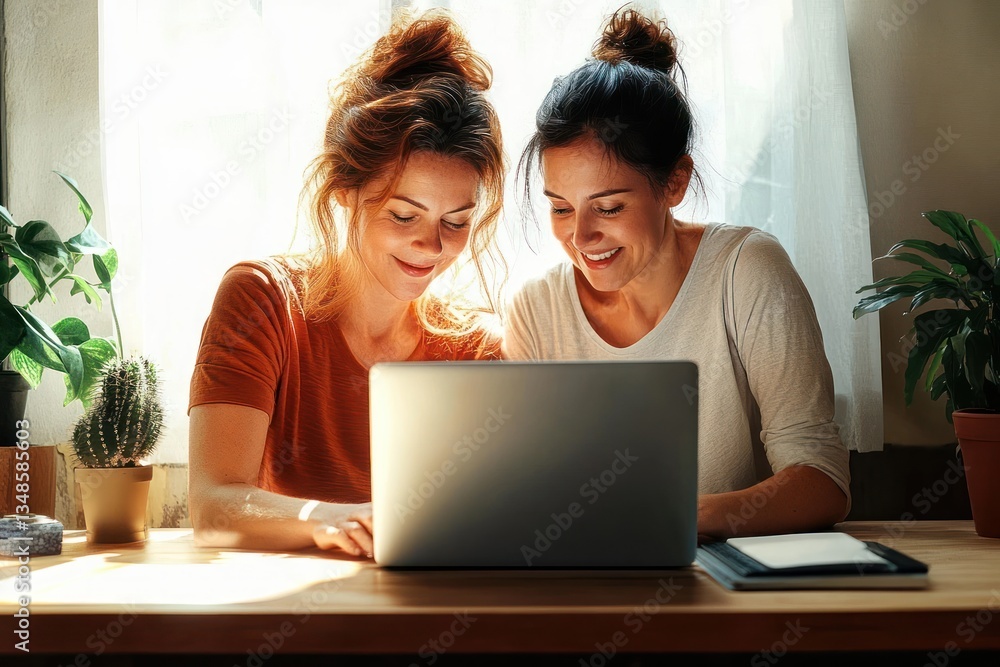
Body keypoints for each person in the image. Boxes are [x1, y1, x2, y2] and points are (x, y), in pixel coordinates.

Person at [505, 8, 850, 543]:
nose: (581, 236)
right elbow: (530, 492)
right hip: (585, 588)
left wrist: (672, 518)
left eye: (610, 207)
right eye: (560, 208)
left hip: (723, 592)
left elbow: (822, 483)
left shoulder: (745, 270)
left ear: (674, 183)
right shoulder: (535, 310)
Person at [188, 11, 506, 558]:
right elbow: (214, 506)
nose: (431, 246)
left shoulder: (476, 346)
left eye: (456, 222)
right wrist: (336, 520)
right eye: (404, 216)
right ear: (343, 192)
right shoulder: (264, 299)